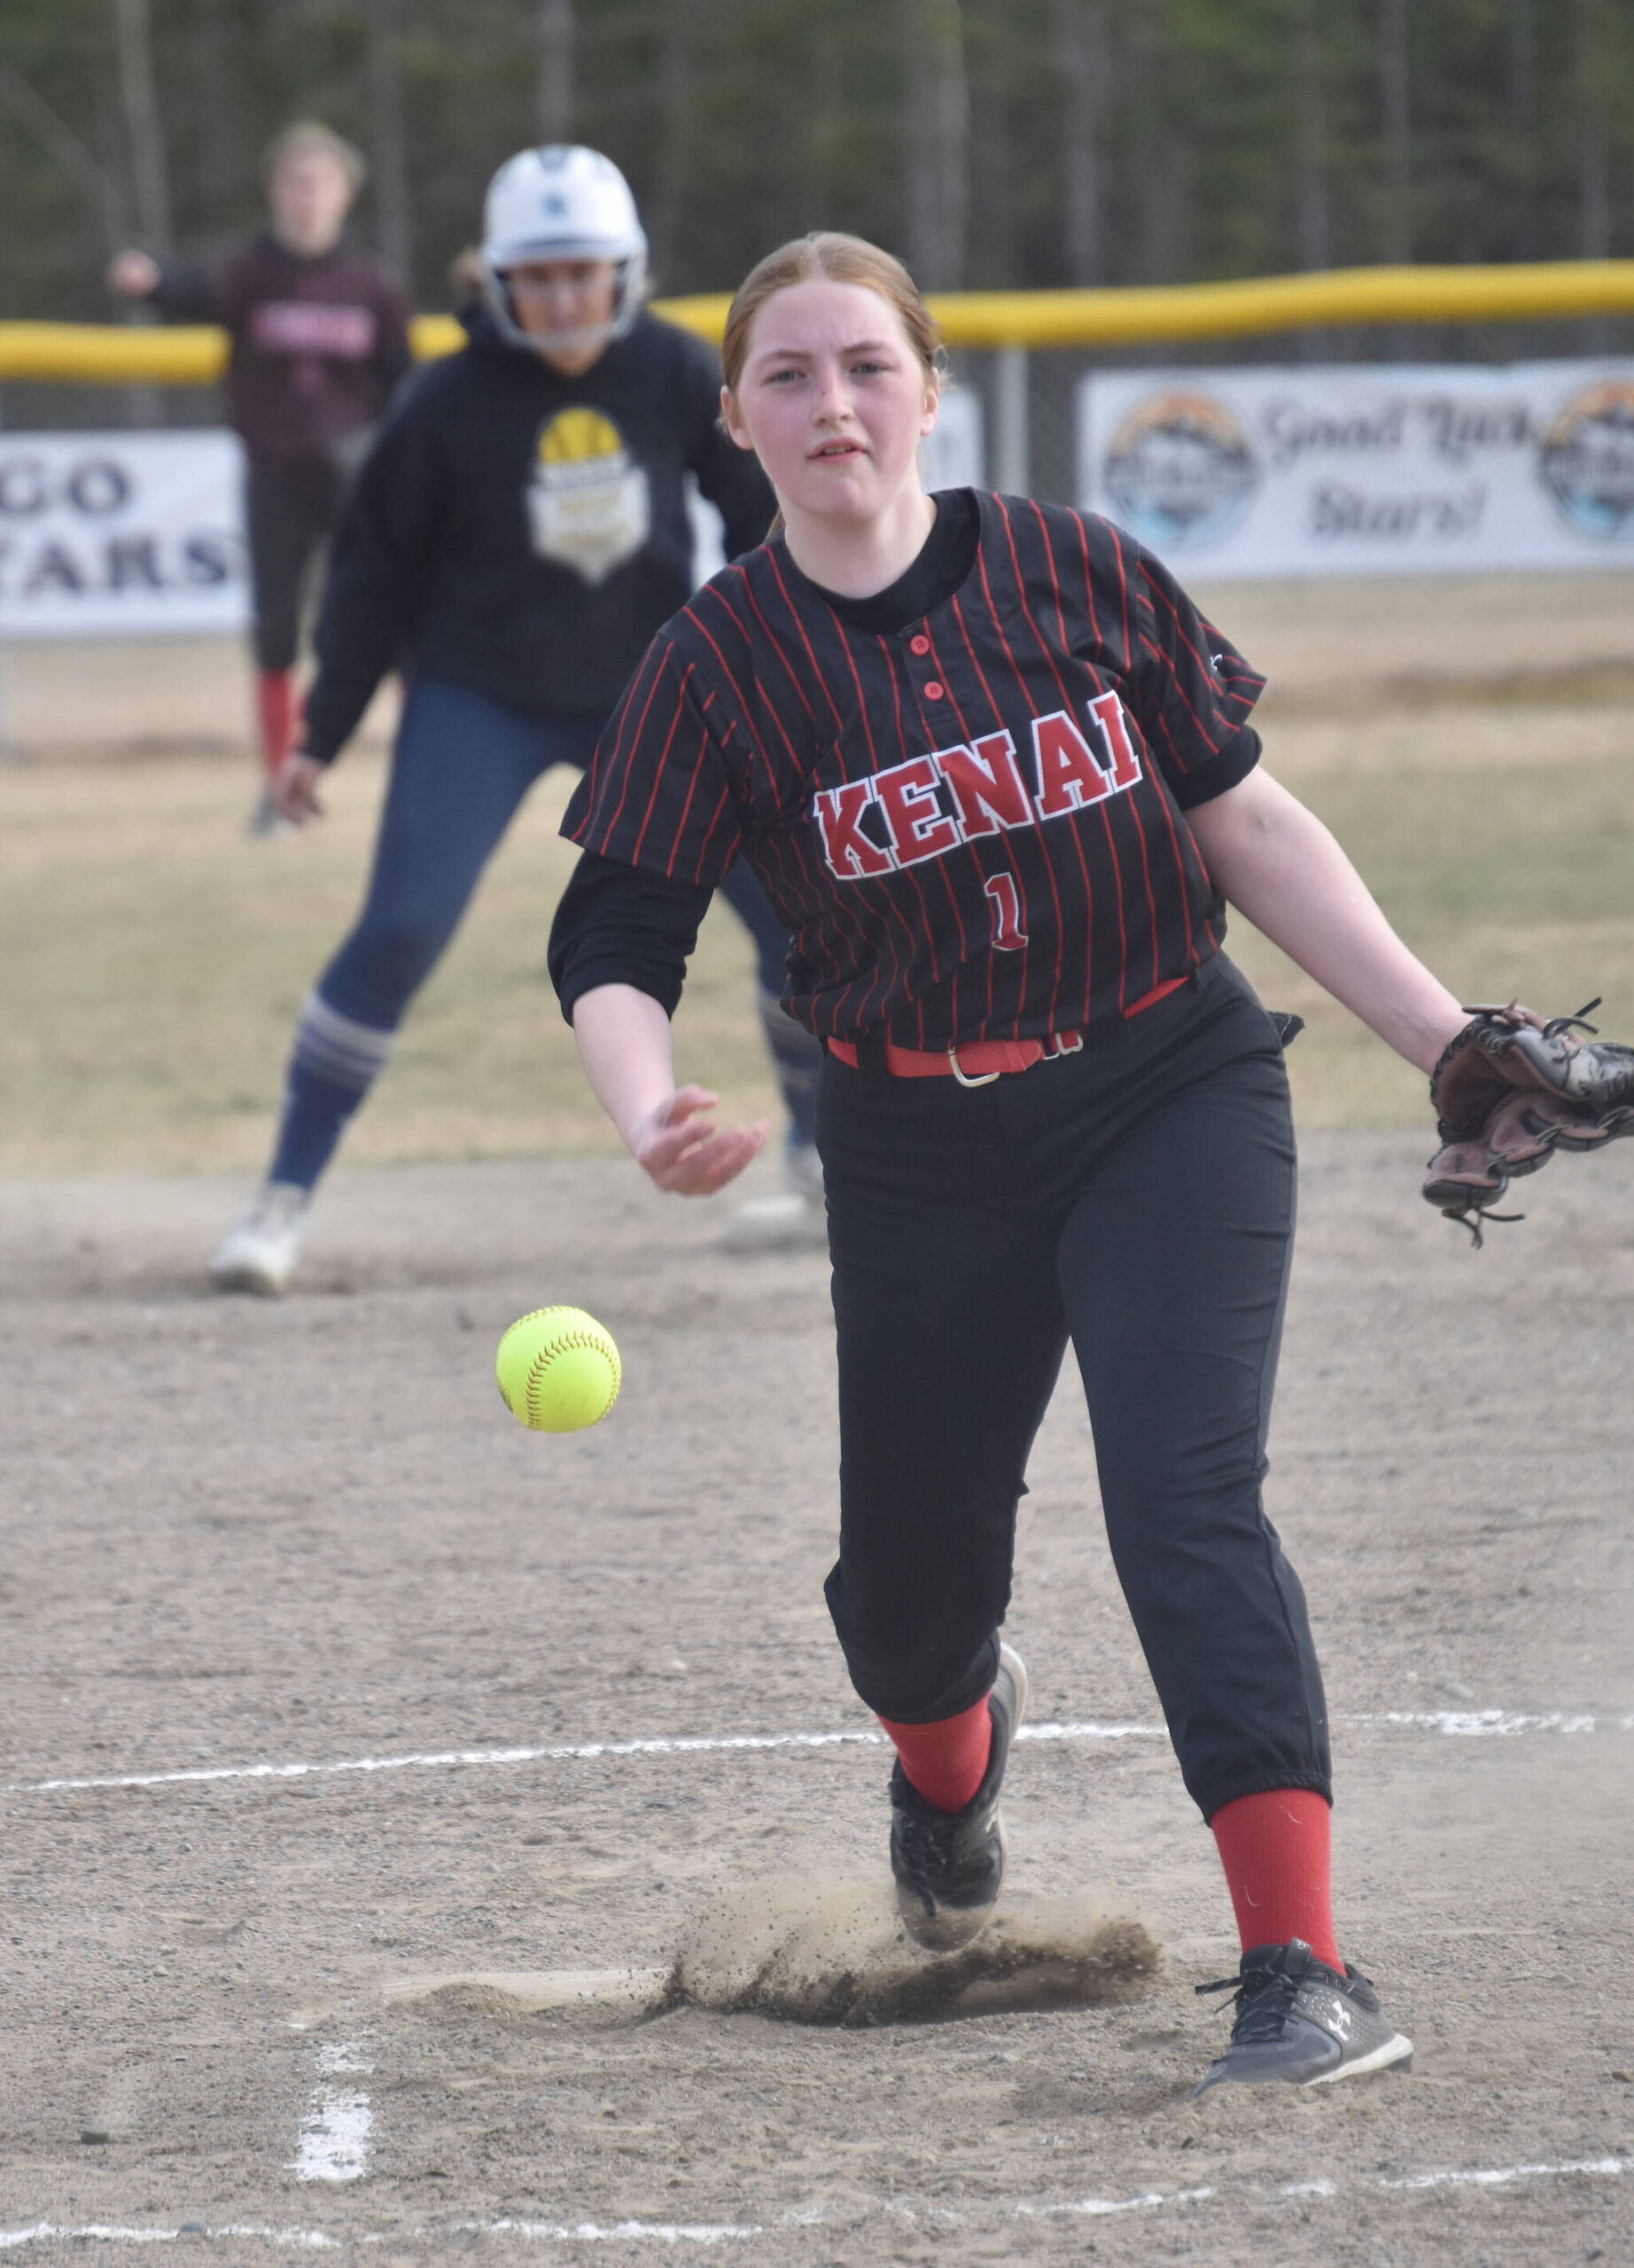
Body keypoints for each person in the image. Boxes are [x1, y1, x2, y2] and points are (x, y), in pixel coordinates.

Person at [547, 229, 1486, 2096]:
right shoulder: (716, 663)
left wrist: (1447, 1041)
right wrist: (645, 1100)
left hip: (1167, 1080)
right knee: (907, 1611)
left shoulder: (1071, 567)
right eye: (789, 375)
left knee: (1182, 1501)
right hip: (910, 1144)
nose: (832, 404)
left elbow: (1249, 825)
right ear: (733, 417)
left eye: (866, 366)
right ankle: (947, 1767)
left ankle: (1297, 1960)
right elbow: (615, 931)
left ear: (930, 390)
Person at [209, 147, 820, 1295]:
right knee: (400, 929)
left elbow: (759, 522)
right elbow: (369, 578)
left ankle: (821, 1161)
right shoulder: (441, 401)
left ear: (627, 270)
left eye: (585, 273)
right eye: (537, 277)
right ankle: (280, 1199)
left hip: (653, 696)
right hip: (476, 694)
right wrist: (319, 736)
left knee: (800, 918)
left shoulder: (681, 373)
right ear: (495, 281)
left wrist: (793, 666)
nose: (564, 299)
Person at [109, 122, 411, 833]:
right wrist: (148, 276)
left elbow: (403, 386)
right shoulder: (249, 270)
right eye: (294, 182)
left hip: (356, 474)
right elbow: (183, 286)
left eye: (320, 182)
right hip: (274, 472)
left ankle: (424, 771)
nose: (307, 197)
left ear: (345, 193)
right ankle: (279, 789)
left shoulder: (372, 284)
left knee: (394, 622)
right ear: (276, 192)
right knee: (275, 630)